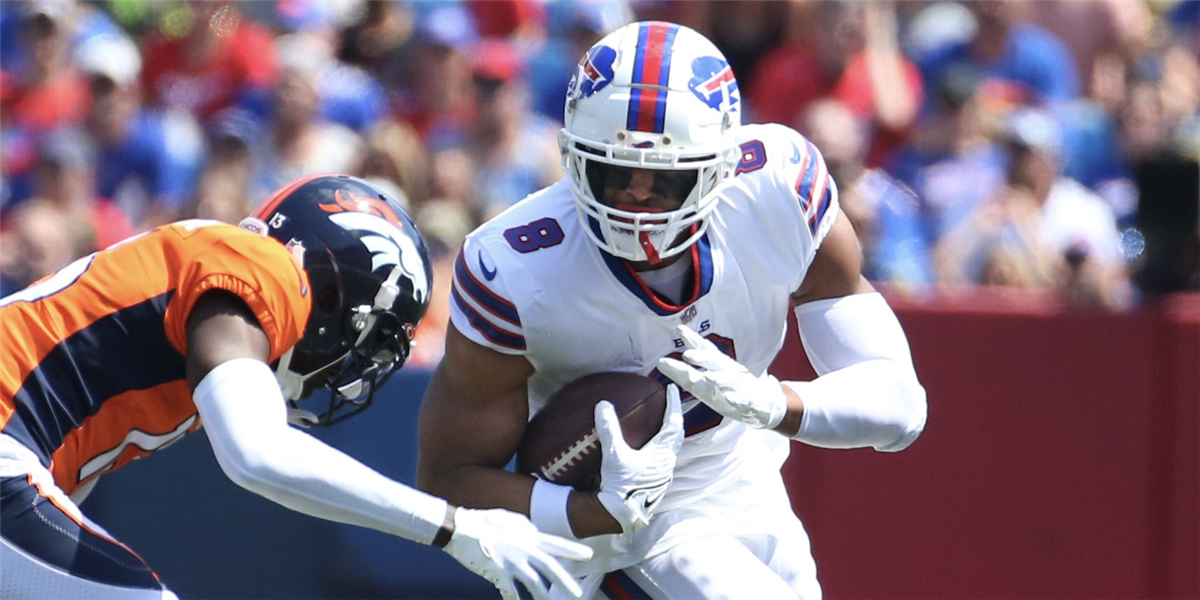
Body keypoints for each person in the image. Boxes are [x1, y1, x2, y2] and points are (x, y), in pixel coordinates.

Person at [417, 21, 928, 600]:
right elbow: (448, 480)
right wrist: (593, 511)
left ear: (722, 166)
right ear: (572, 158)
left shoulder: (777, 187)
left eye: (663, 180)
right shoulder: (515, 265)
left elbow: (902, 406)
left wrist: (771, 402)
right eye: (613, 173)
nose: (636, 198)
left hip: (746, 476)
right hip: (619, 533)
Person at [0, 174, 591, 600]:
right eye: (368, 335)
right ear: (335, 292)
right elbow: (259, 456)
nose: (353, 365)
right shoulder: (263, 268)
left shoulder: (209, 282)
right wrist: (453, 526)